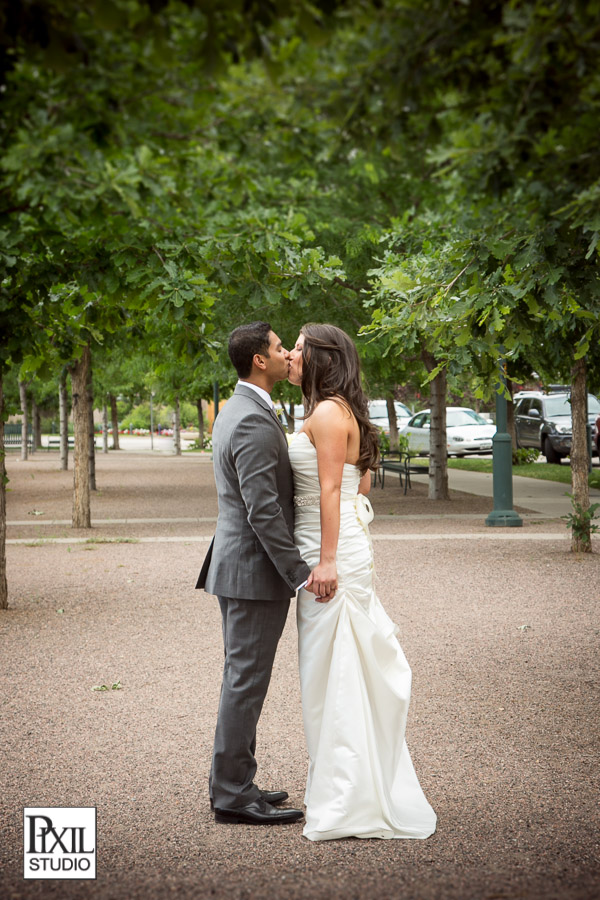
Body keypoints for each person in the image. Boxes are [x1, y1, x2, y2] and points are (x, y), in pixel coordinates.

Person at [287, 323, 437, 841]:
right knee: (332, 669)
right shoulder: (341, 411)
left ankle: (349, 797)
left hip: (330, 553)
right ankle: (349, 785)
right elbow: (358, 482)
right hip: (341, 540)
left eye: (299, 348)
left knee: (336, 673)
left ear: (321, 358)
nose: (290, 354)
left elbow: (331, 490)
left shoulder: (328, 412)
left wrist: (327, 561)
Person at [196, 321, 320, 826]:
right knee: (245, 681)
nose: (286, 351)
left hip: (242, 569)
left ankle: (237, 780)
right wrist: (299, 572)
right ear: (259, 361)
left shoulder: (244, 407)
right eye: (277, 346)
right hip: (253, 572)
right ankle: (231, 795)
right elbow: (261, 509)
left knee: (243, 679)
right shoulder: (248, 418)